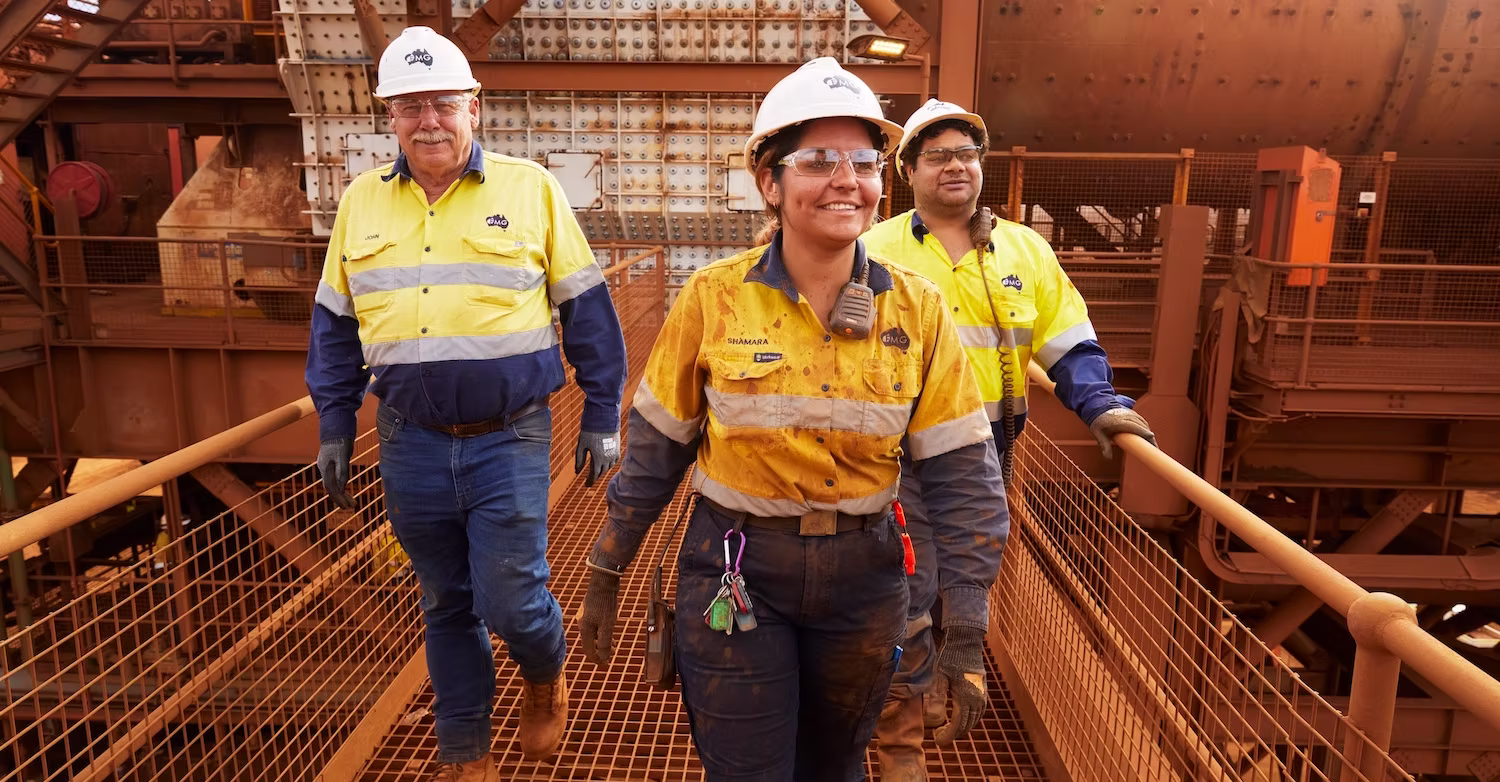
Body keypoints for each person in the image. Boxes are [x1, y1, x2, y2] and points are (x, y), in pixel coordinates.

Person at [573, 57, 1009, 781]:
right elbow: (656, 448)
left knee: (836, 766)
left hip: (865, 580)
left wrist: (964, 625)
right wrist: (607, 561)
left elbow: (964, 474)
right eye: (816, 160)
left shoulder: (919, 310)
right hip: (738, 572)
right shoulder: (714, 299)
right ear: (769, 183)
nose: (847, 179)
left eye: (864, 161)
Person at [305, 26, 627, 781]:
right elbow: (333, 322)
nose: (429, 121)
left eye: (443, 104)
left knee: (512, 602)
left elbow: (587, 308)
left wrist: (605, 412)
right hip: (408, 436)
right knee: (445, 600)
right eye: (410, 106)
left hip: (507, 438)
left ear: (474, 107)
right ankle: (465, 750)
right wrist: (333, 422)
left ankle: (544, 676)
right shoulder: (360, 203)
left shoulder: (530, 189)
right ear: (389, 116)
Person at [862, 98, 1157, 780]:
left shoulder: (1024, 251)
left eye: (967, 154)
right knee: (911, 574)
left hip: (986, 444)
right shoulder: (876, 250)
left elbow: (1068, 341)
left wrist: (1101, 405)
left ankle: (949, 666)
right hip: (897, 446)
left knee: (970, 565)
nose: (956, 167)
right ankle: (902, 731)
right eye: (938, 156)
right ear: (908, 171)